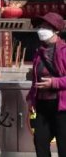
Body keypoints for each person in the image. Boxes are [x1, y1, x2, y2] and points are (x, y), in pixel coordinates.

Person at [27, 12, 66, 157]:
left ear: (56, 29)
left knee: (63, 146)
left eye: (45, 26)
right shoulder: (39, 52)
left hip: (62, 107)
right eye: (40, 26)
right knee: (40, 142)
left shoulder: (64, 51)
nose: (40, 30)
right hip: (43, 106)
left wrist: (54, 82)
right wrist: (31, 98)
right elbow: (35, 79)